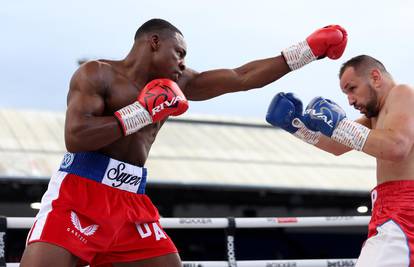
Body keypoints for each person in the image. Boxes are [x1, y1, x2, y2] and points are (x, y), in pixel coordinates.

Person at [20, 18, 347, 267]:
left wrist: (307, 50)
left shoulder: (178, 82)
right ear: (153, 42)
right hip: (81, 191)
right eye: (179, 53)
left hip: (130, 201)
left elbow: (240, 77)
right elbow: (75, 137)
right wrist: (141, 113)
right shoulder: (97, 74)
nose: (182, 63)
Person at [266, 54, 414, 266]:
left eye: (352, 89)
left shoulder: (403, 93)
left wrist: (340, 125)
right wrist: (296, 126)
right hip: (391, 210)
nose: (350, 100)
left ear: (375, 77)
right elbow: (338, 145)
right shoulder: (376, 116)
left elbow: (397, 147)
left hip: (405, 211)